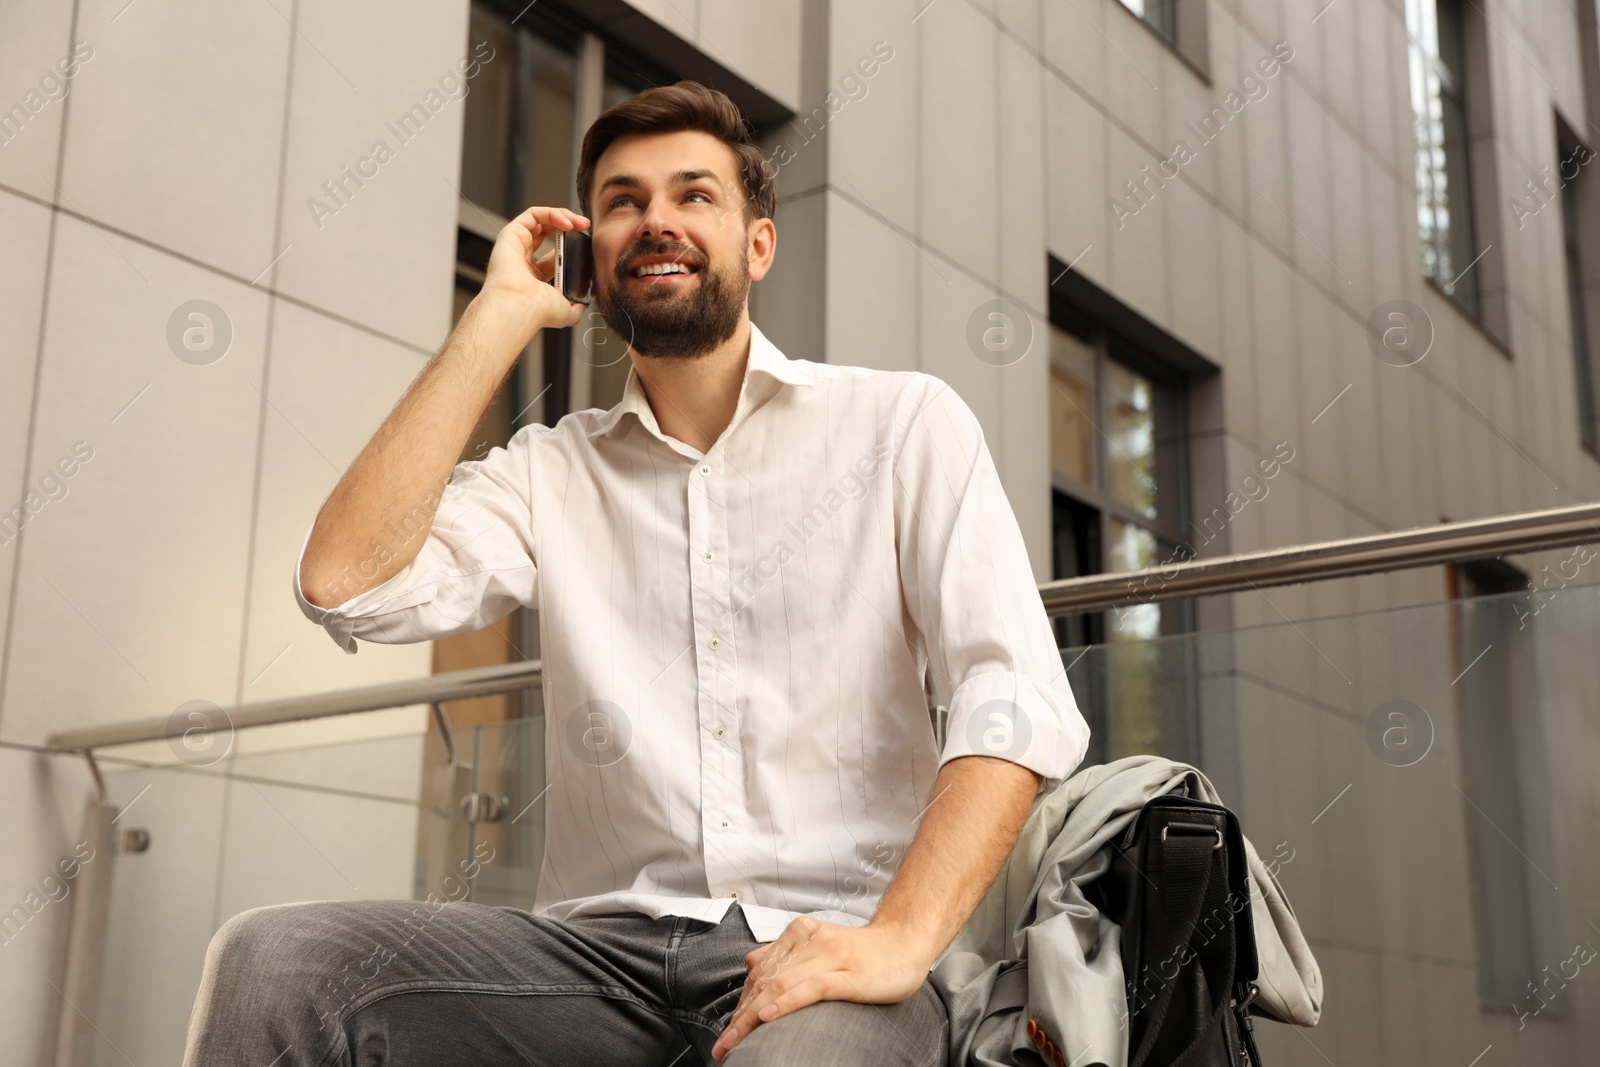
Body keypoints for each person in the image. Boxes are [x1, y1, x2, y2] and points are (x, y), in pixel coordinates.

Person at [182, 80, 1089, 1067]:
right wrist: (499, 314)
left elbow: (1012, 696)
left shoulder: (905, 424)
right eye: (621, 201)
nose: (655, 217)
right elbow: (342, 580)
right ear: (589, 259)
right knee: (271, 960)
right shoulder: (549, 471)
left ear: (758, 244)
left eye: (693, 193)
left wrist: (901, 937)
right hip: (588, 958)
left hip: (821, 950)